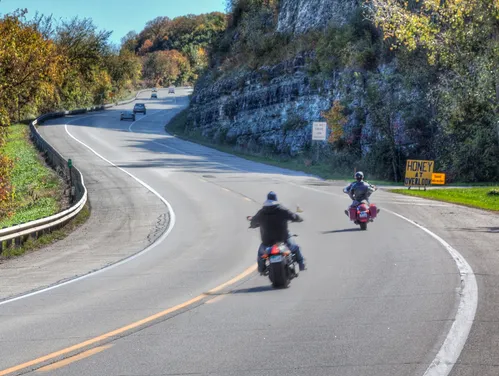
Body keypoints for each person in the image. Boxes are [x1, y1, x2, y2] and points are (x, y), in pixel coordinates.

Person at [248, 191, 306, 274]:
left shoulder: (262, 212)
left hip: (267, 242)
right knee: (295, 248)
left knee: (260, 254)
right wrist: (299, 219)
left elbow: (253, 222)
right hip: (283, 240)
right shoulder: (282, 210)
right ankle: (301, 264)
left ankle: (261, 269)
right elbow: (294, 216)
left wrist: (252, 225)